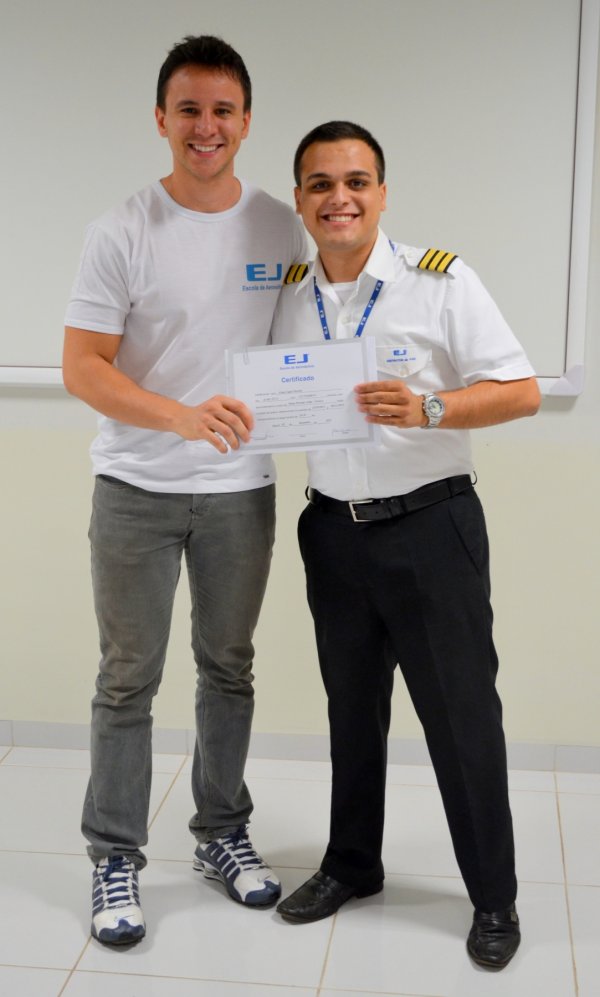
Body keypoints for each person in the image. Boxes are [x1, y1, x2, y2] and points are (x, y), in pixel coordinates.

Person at [271, 121, 541, 970]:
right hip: (332, 530)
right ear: (300, 200)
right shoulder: (287, 292)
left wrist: (432, 408)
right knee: (351, 713)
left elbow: (522, 390)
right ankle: (352, 863)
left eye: (356, 181)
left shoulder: (441, 282)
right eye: (321, 184)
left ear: (382, 193)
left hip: (430, 527)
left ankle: (493, 896)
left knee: (462, 718)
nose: (339, 198)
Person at [62, 34, 306, 946]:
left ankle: (220, 833)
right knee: (128, 677)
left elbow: (303, 344)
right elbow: (84, 367)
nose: (207, 127)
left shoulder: (280, 226)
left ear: (247, 121)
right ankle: (114, 855)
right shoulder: (121, 230)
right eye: (190, 110)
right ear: (161, 120)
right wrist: (178, 418)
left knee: (228, 667)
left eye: (223, 110)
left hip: (241, 490)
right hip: (136, 486)